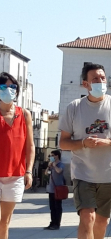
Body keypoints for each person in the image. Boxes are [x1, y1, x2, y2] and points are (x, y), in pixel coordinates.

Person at [58, 63, 111, 239]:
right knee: (87, 217)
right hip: (83, 173)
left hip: (110, 175)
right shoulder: (74, 107)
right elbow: (63, 143)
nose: (100, 81)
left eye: (102, 78)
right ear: (85, 84)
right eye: (95, 79)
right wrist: (84, 143)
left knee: (101, 222)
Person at [0, 72, 35, 239]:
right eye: (4, 86)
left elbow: (30, 146)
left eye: (12, 87)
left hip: (15, 175)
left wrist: (29, 171)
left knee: (5, 221)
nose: (9, 90)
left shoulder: (25, 114)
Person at [44, 150, 65, 230]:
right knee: (52, 207)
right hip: (51, 189)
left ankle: (57, 223)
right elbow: (46, 173)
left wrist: (55, 165)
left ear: (57, 156)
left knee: (57, 207)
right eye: (51, 155)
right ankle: (52, 222)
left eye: (53, 155)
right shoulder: (51, 165)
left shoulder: (61, 164)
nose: (51, 157)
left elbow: (59, 171)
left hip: (58, 189)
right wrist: (49, 166)